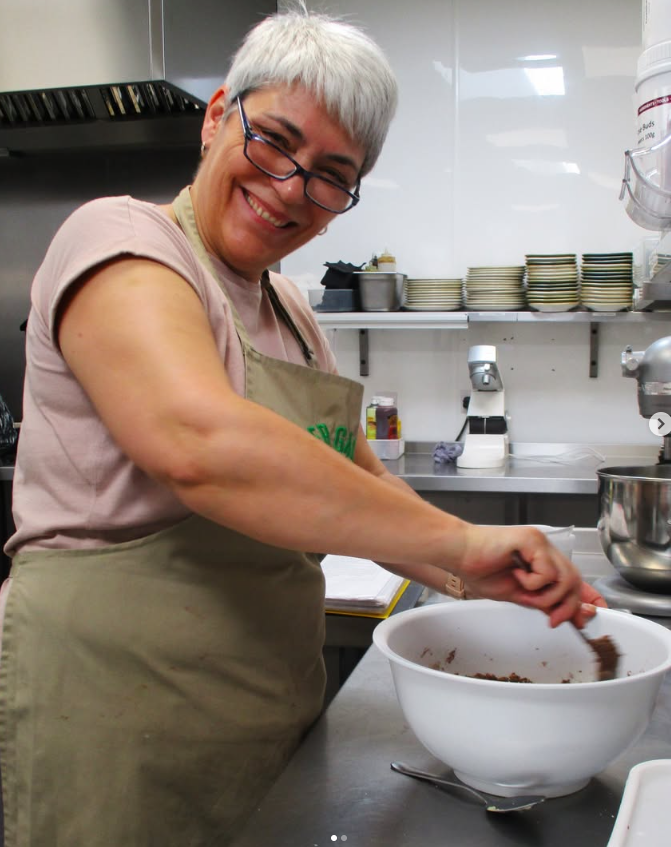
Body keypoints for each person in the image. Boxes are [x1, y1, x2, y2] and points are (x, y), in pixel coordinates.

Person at [0, 4, 605, 846]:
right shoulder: (122, 240)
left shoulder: (288, 308)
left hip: (261, 712)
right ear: (217, 118)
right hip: (114, 712)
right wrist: (465, 545)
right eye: (274, 141)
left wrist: (472, 571)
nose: (291, 187)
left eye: (330, 173)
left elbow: (359, 482)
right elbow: (202, 446)